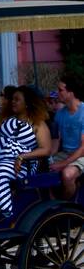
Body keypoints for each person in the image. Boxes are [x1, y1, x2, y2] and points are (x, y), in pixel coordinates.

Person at [0, 86, 52, 216]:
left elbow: (46, 150)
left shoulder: (37, 123)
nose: (13, 101)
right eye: (12, 99)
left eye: (17, 99)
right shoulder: (6, 119)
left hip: (21, 165)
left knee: (0, 172)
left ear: (27, 103)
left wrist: (22, 156)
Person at [51, 73, 84, 201]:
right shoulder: (59, 114)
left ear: (70, 92)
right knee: (41, 169)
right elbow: (56, 142)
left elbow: (83, 148)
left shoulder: (83, 112)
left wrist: (63, 164)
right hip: (65, 153)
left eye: (60, 90)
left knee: (67, 174)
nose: (57, 93)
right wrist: (49, 157)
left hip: (81, 154)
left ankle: (66, 208)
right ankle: (50, 202)